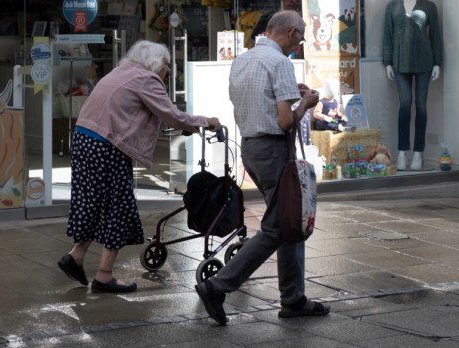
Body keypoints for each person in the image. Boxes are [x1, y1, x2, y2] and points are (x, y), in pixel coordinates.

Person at [195, 10, 330, 326]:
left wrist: (289, 94)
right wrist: (306, 105)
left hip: (252, 148)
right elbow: (286, 121)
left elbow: (250, 105)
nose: (299, 45)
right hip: (273, 149)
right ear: (290, 31)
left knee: (289, 221)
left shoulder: (243, 59)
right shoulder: (279, 62)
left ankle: (294, 298)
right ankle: (217, 286)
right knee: (277, 227)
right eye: (299, 38)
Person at [57, 40, 221, 293]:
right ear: (157, 64)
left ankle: (76, 255)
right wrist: (204, 122)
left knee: (94, 201)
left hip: (83, 138)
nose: (167, 71)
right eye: (167, 65)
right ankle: (104, 276)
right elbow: (172, 115)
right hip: (106, 145)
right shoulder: (147, 79)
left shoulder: (120, 71)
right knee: (118, 207)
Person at [382, 0, 442, 170]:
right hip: (400, 62)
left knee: (421, 106)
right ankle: (401, 151)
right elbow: (387, 34)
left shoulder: (429, 6)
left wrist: (437, 62)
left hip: (424, 61)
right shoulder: (392, 6)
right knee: (405, 103)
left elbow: (435, 35)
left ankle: (418, 152)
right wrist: (387, 62)